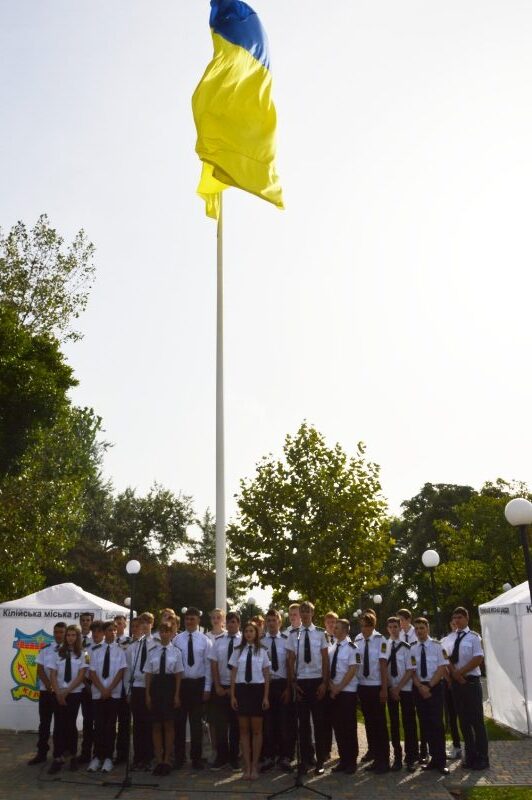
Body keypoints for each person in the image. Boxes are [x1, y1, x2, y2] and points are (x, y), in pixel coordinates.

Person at [286, 600, 329, 775]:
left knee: (319, 723)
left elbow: (325, 659)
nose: (304, 614)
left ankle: (320, 761)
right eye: (302, 611)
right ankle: (305, 760)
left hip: (317, 681)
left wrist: (325, 683)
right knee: (303, 724)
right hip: (301, 682)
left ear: (312, 613)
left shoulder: (320, 633)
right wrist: (293, 683)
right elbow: (290, 660)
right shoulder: (293, 634)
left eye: (307, 611)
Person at [445, 606, 489, 770]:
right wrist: (453, 673)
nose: (456, 621)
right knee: (463, 721)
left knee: (477, 721)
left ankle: (483, 757)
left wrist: (460, 673)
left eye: (460, 617)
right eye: (454, 618)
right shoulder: (451, 638)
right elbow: (446, 655)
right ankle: (470, 756)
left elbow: (478, 658)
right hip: (457, 683)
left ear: (467, 618)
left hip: (470, 682)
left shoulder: (473, 637)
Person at [230, 621, 270, 780]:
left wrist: (266, 696)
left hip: (257, 691)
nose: (248, 634)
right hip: (241, 691)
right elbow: (233, 673)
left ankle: (255, 766)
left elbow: (267, 675)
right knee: (244, 731)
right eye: (246, 631)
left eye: (251, 631)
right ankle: (247, 766)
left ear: (257, 633)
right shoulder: (237, 651)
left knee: (257, 730)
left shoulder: (262, 651)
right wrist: (232, 695)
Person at [173, 606, 212, 769]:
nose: (189, 621)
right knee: (179, 723)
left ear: (198, 620)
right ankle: (179, 758)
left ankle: (196, 758)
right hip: (181, 685)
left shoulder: (205, 640)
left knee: (196, 724)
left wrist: (207, 688)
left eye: (192, 619)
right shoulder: (177, 639)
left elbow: (208, 666)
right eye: (187, 619)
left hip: (198, 684)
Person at [410, 617, 449, 775]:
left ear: (428, 629)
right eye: (417, 629)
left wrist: (429, 687)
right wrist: (420, 686)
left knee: (437, 725)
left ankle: (441, 761)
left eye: (422, 628)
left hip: (434, 688)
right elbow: (411, 670)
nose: (419, 631)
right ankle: (433, 759)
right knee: (425, 724)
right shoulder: (412, 648)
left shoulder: (438, 646)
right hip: (419, 689)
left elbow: (442, 668)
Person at [145, 621, 184, 775]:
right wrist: (147, 694)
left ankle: (167, 759)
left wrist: (177, 694)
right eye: (161, 631)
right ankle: (158, 759)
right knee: (155, 725)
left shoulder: (176, 652)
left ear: (171, 633)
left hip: (169, 686)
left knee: (168, 725)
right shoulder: (152, 651)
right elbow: (148, 673)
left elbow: (179, 675)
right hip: (156, 687)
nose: (164, 634)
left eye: (167, 631)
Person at [47, 625, 88, 774]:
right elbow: (52, 674)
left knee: (71, 725)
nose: (70, 638)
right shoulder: (57, 653)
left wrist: (67, 692)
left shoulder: (82, 654)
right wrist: (58, 693)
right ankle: (57, 757)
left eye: (73, 635)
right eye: (68, 635)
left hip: (74, 693)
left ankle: (72, 757)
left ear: (77, 637)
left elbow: (81, 675)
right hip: (58, 693)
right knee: (58, 725)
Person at [88, 620, 127, 774]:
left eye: (115, 630)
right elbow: (92, 672)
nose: (113, 632)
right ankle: (97, 756)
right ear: (104, 633)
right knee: (98, 726)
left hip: (114, 694)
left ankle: (109, 757)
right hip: (98, 694)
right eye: (109, 630)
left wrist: (109, 689)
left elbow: (121, 672)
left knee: (110, 726)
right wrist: (102, 689)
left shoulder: (120, 651)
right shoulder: (95, 651)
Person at [354, 611, 390, 773]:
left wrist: (384, 688)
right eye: (361, 626)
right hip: (363, 685)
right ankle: (373, 752)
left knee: (379, 723)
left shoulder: (380, 640)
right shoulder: (358, 640)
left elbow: (383, 665)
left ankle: (383, 760)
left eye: (366, 626)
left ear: (372, 626)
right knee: (369, 721)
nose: (363, 629)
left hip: (376, 686)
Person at [28, 622, 67, 766]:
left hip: (60, 693)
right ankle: (41, 753)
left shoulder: (69, 650)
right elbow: (39, 669)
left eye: (61, 632)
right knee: (44, 724)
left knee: (60, 725)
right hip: (46, 692)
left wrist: (56, 688)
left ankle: (59, 754)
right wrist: (50, 685)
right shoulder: (46, 649)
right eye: (56, 632)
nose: (58, 635)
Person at [208, 611, 242, 770]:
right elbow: (213, 664)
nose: (231, 625)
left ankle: (234, 757)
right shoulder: (218, 641)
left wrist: (234, 690)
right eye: (228, 622)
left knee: (236, 725)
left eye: (234, 622)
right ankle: (222, 757)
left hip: (238, 689)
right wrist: (217, 686)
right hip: (220, 688)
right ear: (225, 624)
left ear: (238, 624)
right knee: (220, 725)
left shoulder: (244, 641)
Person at [261, 608, 293, 773]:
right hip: (266, 686)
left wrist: (288, 688)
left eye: (274, 620)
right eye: (269, 620)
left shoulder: (287, 640)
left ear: (280, 622)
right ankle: (269, 756)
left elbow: (289, 666)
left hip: (282, 685)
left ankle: (285, 757)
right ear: (266, 623)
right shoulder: (260, 641)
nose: (271, 623)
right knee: (268, 723)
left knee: (284, 723)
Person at [385, 616, 417, 772]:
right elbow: (382, 668)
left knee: (409, 723)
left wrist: (398, 688)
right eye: (390, 627)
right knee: (394, 724)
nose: (393, 629)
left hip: (405, 689)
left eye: (395, 626)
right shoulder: (384, 646)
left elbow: (410, 669)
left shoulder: (407, 647)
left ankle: (410, 758)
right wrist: (391, 688)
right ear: (387, 629)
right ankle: (397, 758)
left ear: (400, 628)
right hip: (391, 689)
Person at [328, 618, 359, 775]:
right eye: (334, 627)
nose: (334, 629)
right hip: (334, 692)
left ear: (346, 630)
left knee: (349, 727)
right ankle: (343, 759)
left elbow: (352, 670)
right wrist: (332, 687)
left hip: (347, 692)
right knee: (338, 727)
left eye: (338, 627)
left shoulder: (352, 647)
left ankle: (352, 761)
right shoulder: (333, 646)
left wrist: (338, 688)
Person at [127, 612, 157, 770]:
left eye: (147, 622)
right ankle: (138, 757)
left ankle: (149, 756)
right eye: (142, 623)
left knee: (150, 724)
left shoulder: (157, 644)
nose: (144, 626)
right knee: (138, 724)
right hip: (137, 688)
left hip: (151, 688)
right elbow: (129, 671)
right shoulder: (134, 647)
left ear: (152, 624)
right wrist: (129, 691)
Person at [397, 607, 427, 763]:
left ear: (408, 620)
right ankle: (411, 753)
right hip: (405, 683)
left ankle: (424, 750)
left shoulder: (418, 633)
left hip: (419, 680)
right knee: (408, 720)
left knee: (423, 718)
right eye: (399, 620)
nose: (400, 623)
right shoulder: (399, 636)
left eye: (402, 620)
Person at [441, 620, 463, 760]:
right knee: (452, 716)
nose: (455, 626)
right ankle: (456, 746)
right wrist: (449, 680)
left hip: (464, 679)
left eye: (457, 623)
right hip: (449, 682)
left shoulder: (467, 638)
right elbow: (443, 662)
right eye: (453, 623)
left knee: (466, 716)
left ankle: (472, 746)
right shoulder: (445, 640)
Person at [114, 614, 132, 765]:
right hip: (110, 686)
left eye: (121, 623)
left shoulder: (130, 641)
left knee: (124, 723)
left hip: (124, 686)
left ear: (125, 625)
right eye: (116, 623)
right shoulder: (109, 642)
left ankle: (122, 753)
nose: (118, 625)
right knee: (109, 722)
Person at [78, 612, 95, 764]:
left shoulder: (93, 641)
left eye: (88, 620)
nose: (85, 623)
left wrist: (86, 681)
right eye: (83, 620)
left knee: (88, 721)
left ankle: (86, 752)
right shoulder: (74, 639)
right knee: (68, 720)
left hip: (87, 684)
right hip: (72, 685)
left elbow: (90, 662)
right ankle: (68, 750)